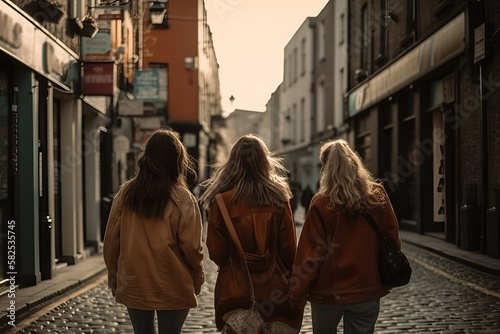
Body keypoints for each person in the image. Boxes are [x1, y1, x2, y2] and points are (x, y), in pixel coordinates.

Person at [288, 139, 401, 334]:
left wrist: (296, 295)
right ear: (354, 162)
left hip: (327, 293)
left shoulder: (321, 202)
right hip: (366, 290)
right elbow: (392, 238)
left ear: (326, 168)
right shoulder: (376, 194)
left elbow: (311, 254)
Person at [103, 129, 205, 334]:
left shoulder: (127, 193)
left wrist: (113, 274)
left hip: (136, 280)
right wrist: (198, 272)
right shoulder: (184, 198)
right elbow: (192, 247)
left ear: (146, 156)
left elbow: (111, 241)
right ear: (177, 160)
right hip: (173, 280)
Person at [199, 134, 303, 332]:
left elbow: (216, 252)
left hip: (235, 290)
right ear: (264, 162)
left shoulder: (221, 201)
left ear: (233, 163)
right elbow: (290, 251)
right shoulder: (279, 199)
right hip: (275, 290)